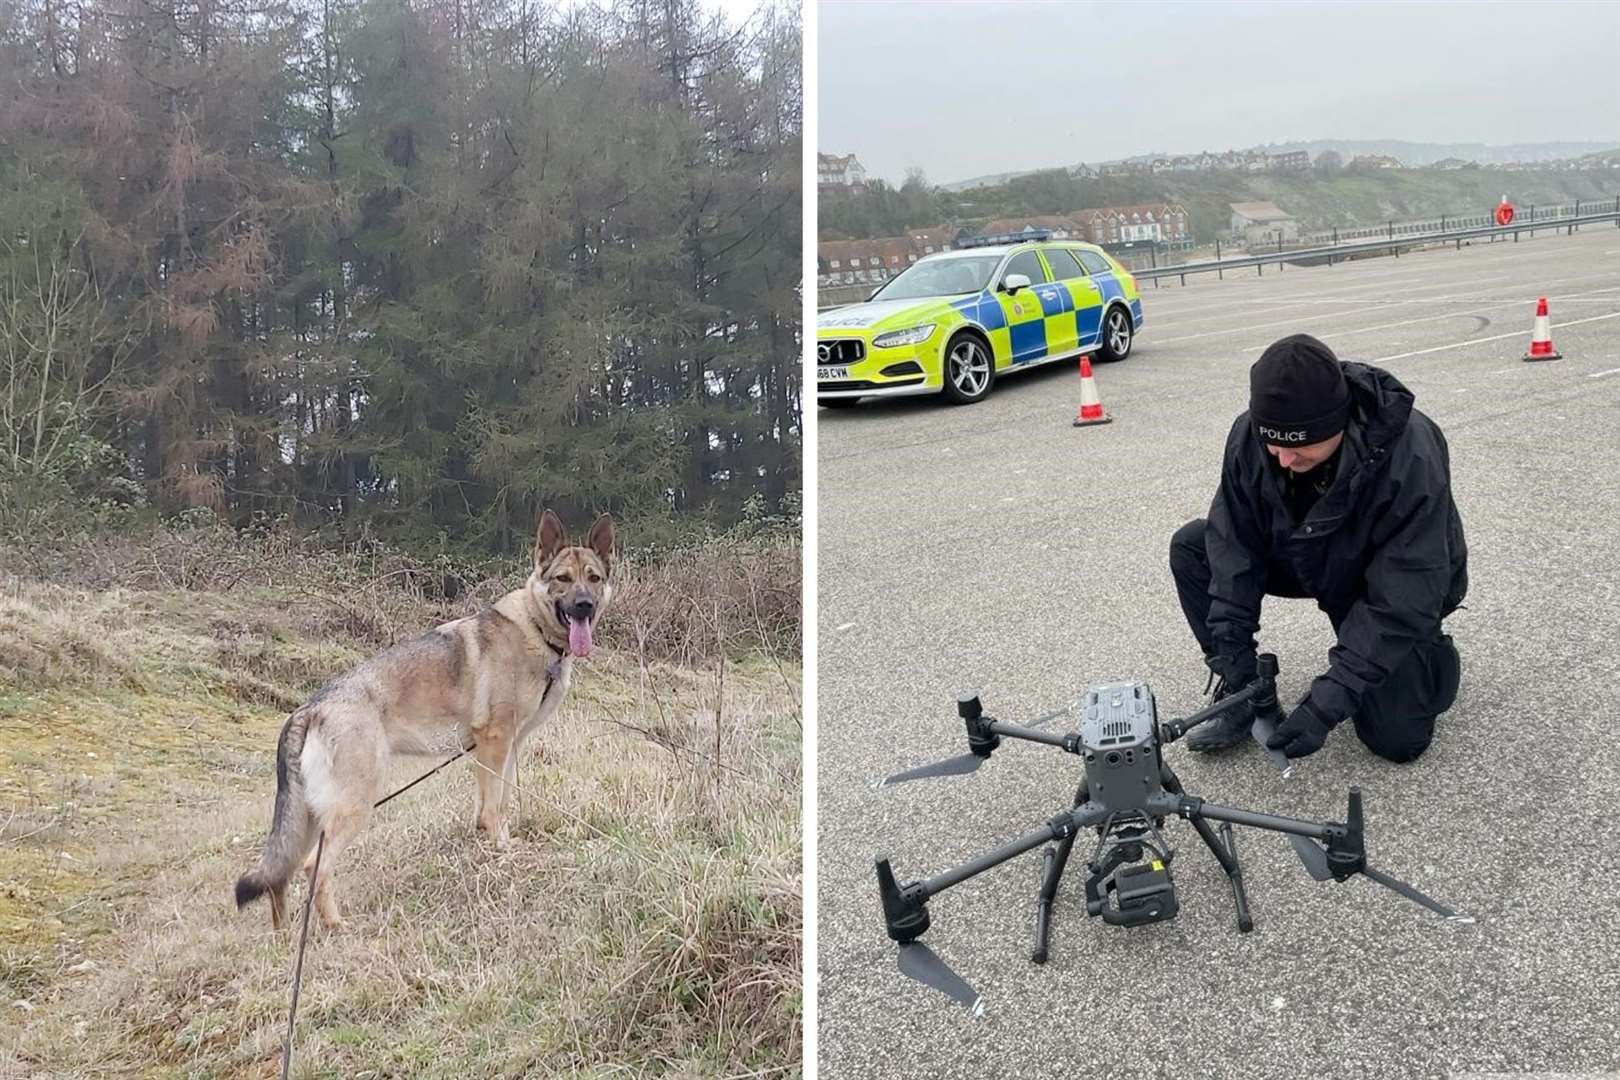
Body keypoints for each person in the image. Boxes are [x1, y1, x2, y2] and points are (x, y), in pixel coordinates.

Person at [1169, 333, 1467, 762]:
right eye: (1273, 443)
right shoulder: (1251, 438)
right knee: (1192, 546)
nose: (1283, 459)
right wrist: (1233, 652)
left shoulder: (1409, 452)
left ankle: (1426, 654)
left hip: (1378, 581)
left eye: (1298, 446)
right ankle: (1242, 694)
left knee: (1397, 741)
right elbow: (1233, 544)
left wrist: (1326, 704)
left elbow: (1408, 588)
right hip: (1306, 554)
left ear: (1338, 424)